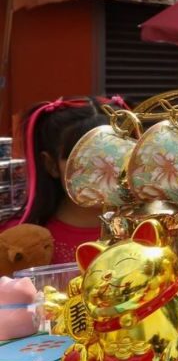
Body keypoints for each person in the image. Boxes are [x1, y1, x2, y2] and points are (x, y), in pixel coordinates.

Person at [3, 97, 118, 262]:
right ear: (51, 165)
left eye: (116, 156)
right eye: (84, 161)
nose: (103, 169)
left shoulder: (153, 228)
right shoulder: (19, 241)